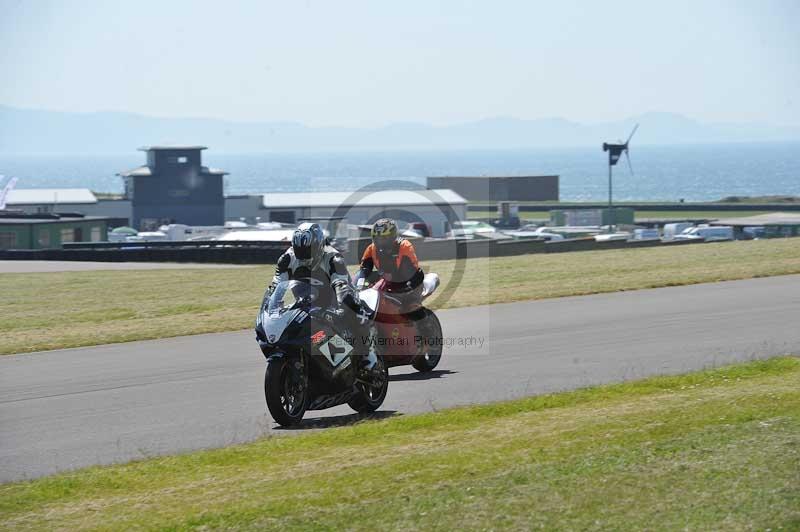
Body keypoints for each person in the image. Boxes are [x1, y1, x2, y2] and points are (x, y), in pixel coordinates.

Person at [267, 222, 379, 374]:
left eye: (307, 251)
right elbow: (276, 285)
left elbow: (341, 286)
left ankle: (368, 356)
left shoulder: (333, 258)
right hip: (305, 301)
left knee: (353, 310)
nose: (304, 256)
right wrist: (271, 306)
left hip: (335, 298)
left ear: (318, 244)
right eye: (300, 251)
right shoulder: (287, 259)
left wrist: (340, 306)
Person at [354, 218, 425, 314]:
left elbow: (410, 272)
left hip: (409, 283)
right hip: (387, 282)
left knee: (411, 309)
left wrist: (404, 289)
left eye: (384, 238)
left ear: (392, 236)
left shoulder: (404, 247)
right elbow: (364, 270)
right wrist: (358, 286)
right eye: (377, 238)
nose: (380, 241)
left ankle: (421, 321)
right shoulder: (371, 249)